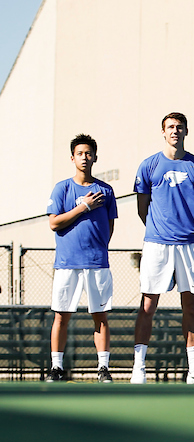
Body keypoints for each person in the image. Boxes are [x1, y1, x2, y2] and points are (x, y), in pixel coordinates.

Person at [131, 113, 194, 384]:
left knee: (191, 306)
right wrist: (161, 229)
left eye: (179, 127)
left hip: (190, 245)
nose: (175, 131)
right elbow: (142, 208)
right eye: (170, 127)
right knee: (148, 305)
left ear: (186, 131)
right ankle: (138, 368)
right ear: (163, 132)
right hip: (156, 244)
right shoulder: (148, 166)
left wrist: (187, 226)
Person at [46, 134, 118, 383]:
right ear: (72, 157)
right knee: (61, 316)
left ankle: (103, 368)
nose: (84, 158)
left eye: (88, 153)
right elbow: (54, 223)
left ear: (95, 157)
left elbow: (109, 228)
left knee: (100, 317)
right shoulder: (62, 188)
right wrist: (83, 207)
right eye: (80, 153)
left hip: (97, 263)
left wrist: (97, 249)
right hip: (67, 263)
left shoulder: (106, 190)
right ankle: (56, 367)